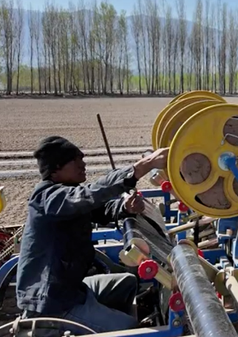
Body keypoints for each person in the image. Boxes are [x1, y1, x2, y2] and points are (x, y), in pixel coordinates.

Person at [16, 136, 169, 333]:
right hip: (52, 302)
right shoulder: (48, 198)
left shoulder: (68, 193)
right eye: (75, 160)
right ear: (55, 169)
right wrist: (142, 167)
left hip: (72, 289)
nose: (83, 164)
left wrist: (125, 207)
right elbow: (89, 195)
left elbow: (99, 209)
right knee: (130, 330)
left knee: (128, 283)